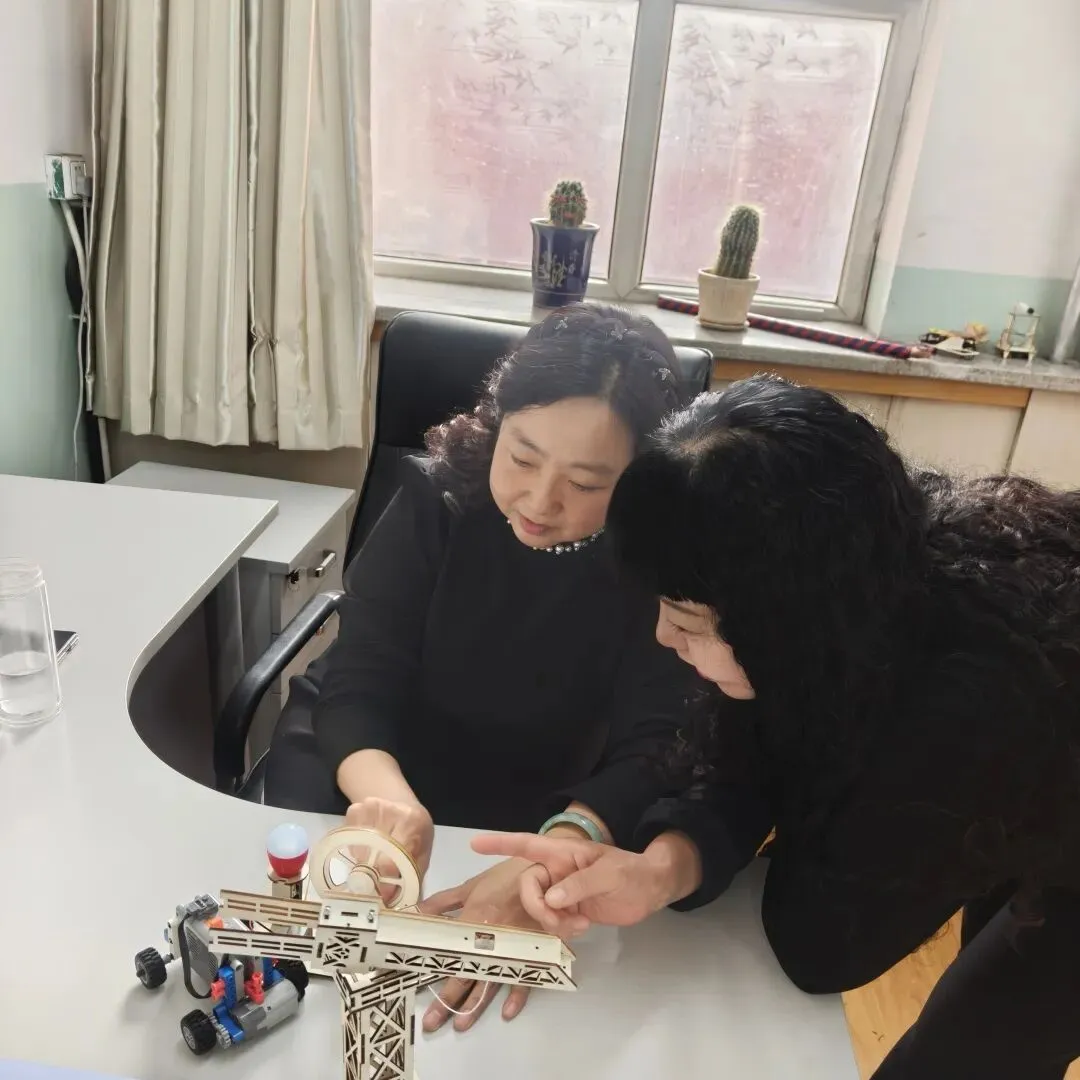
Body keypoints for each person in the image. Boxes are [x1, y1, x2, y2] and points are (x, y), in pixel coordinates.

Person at [475, 374, 1080, 1079]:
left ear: (788, 625)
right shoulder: (865, 571)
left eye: (688, 618)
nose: (664, 637)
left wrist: (771, 767)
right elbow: (738, 759)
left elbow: (819, 945)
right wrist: (664, 868)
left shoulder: (961, 706)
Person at [263, 301, 703, 1031]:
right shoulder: (436, 498)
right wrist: (392, 804)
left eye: (586, 483)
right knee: (311, 990)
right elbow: (360, 678)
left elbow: (654, 743)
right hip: (376, 768)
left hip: (540, 807)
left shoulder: (656, 562)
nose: (539, 500)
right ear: (498, 425)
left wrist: (557, 854)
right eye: (522, 457)